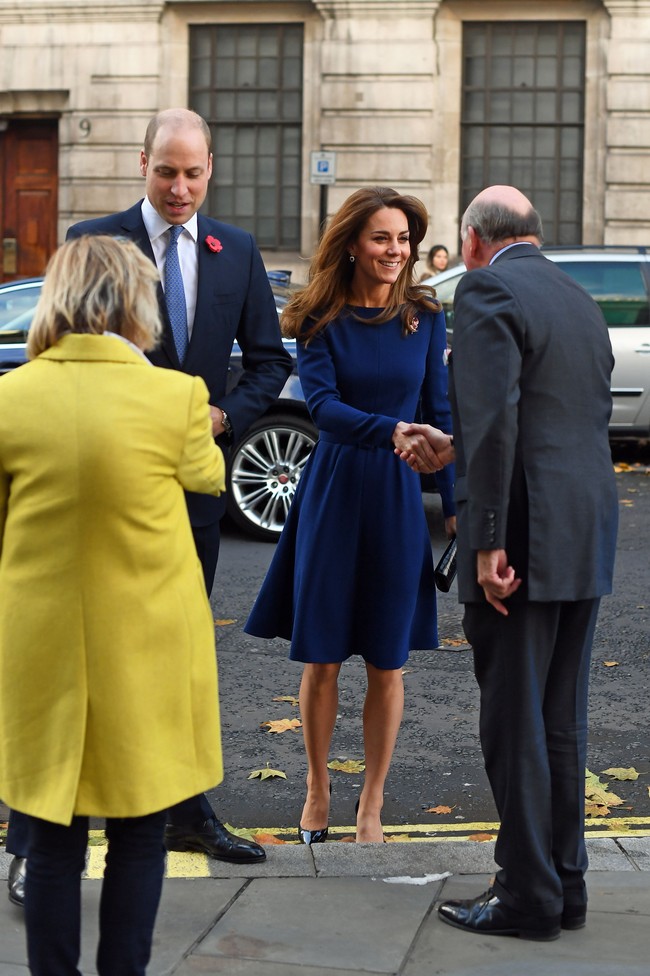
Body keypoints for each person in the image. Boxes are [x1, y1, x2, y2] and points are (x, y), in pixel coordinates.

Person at [55, 107, 291, 868]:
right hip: (96, 495)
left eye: (193, 172)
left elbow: (267, 360)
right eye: (167, 171)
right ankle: (55, 835)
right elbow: (60, 352)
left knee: (180, 658)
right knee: (85, 661)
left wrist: (220, 416)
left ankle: (183, 812)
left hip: (188, 498)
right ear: (142, 163)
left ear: (211, 168)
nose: (180, 187)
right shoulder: (92, 240)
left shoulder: (237, 251)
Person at [0, 235, 226, 974]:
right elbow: (207, 478)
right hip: (149, 643)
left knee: (53, 841)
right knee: (139, 832)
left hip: (40, 644)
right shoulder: (176, 396)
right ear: (135, 302)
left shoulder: (10, 397)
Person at [406, 186, 618, 939]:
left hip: (521, 537)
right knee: (561, 720)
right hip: (584, 528)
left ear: (471, 242)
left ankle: (526, 894)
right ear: (533, 233)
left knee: (513, 720)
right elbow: (557, 418)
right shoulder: (577, 296)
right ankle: (566, 884)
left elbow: (496, 420)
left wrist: (487, 541)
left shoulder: (488, 286)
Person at [245, 186, 456, 844]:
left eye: (404, 240)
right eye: (382, 239)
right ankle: (316, 787)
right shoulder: (321, 318)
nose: (396, 251)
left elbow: (440, 411)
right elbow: (325, 409)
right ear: (353, 245)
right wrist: (391, 429)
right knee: (325, 658)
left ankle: (372, 803)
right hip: (335, 493)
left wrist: (457, 507)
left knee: (388, 661)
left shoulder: (425, 315)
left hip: (397, 500)